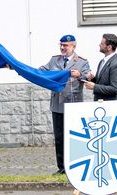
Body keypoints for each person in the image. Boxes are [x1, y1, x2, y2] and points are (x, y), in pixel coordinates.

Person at [39, 35, 90, 175]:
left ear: (73, 46)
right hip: (57, 104)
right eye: (61, 45)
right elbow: (41, 71)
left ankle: (76, 167)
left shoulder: (82, 62)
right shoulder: (54, 60)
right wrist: (22, 69)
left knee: (74, 137)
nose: (62, 47)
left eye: (65, 45)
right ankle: (62, 168)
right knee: (59, 138)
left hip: (74, 105)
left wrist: (80, 74)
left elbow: (88, 77)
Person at [84, 33, 117, 101]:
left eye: (102, 44)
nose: (99, 45)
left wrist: (94, 87)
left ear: (109, 47)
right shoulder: (102, 61)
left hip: (109, 105)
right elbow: (101, 82)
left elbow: (115, 89)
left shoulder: (116, 64)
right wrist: (92, 79)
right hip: (100, 104)